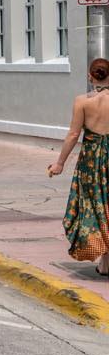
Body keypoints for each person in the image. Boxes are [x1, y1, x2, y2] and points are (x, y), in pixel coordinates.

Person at [47, 56, 109, 276]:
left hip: (91, 161)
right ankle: (105, 262)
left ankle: (105, 262)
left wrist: (59, 163)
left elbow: (73, 134)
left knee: (95, 206)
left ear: (90, 76)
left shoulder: (82, 101)